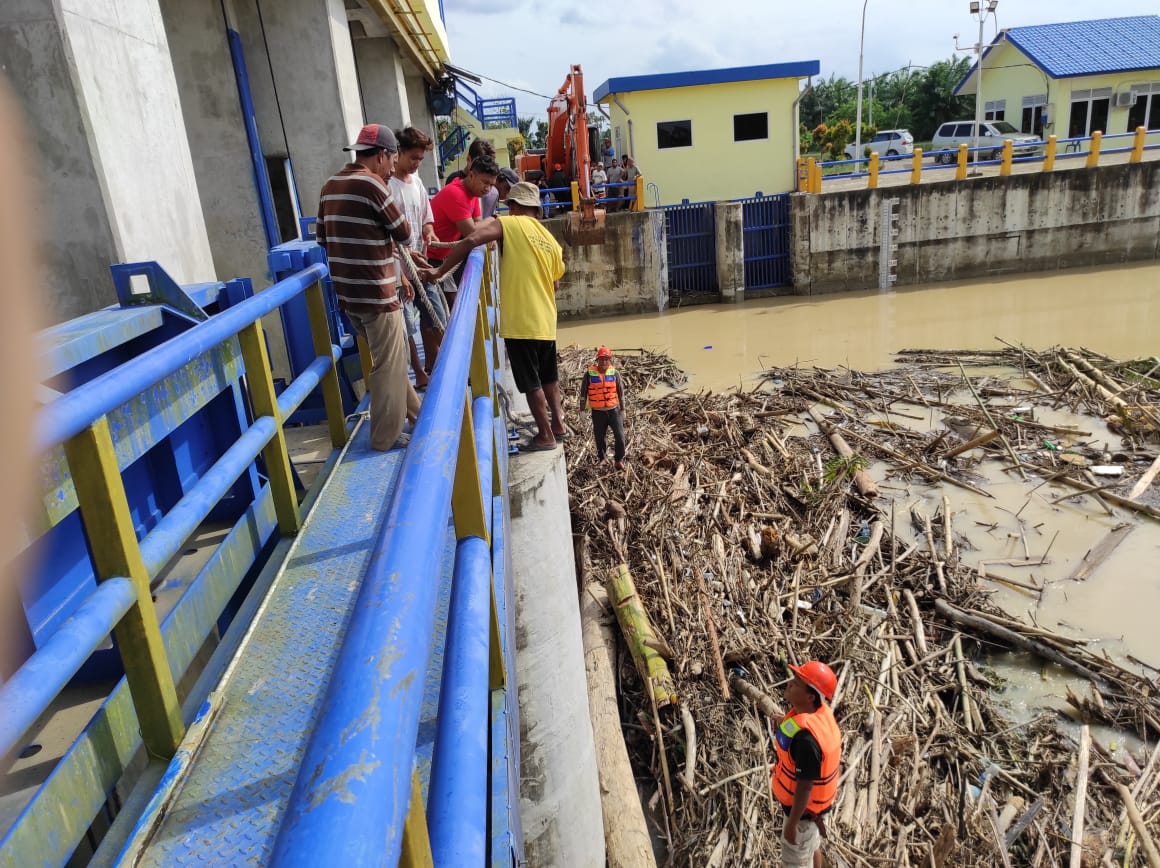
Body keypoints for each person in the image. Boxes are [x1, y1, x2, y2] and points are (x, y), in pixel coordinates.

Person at [418, 182, 567, 451]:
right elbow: (555, 284)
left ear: (515, 206)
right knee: (549, 376)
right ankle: (558, 424)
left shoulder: (509, 224)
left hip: (521, 320)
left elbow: (472, 239)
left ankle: (545, 435)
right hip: (546, 318)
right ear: (536, 209)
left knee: (530, 382)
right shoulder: (550, 240)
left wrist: (438, 272)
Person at [317, 123, 420, 452]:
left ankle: (418, 414)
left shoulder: (330, 185)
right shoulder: (373, 184)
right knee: (389, 365)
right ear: (382, 156)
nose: (392, 169)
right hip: (377, 293)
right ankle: (384, 437)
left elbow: (322, 237)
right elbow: (404, 233)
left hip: (348, 297)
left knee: (391, 359)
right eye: (392, 161)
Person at [773, 661, 842, 868]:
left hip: (803, 818)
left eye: (796, 683)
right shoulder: (819, 715)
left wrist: (792, 825)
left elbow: (804, 787)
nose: (790, 683)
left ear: (810, 696)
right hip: (813, 815)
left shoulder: (807, 741)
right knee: (813, 848)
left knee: (797, 861)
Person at [389, 126, 444, 387]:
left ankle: (446, 365)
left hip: (420, 265)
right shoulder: (387, 186)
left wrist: (429, 232)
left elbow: (426, 219)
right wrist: (400, 272)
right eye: (413, 158)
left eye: (420, 159)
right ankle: (420, 373)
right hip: (397, 268)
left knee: (436, 316)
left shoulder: (418, 183)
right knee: (407, 324)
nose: (416, 164)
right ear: (398, 153)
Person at [429, 155, 499, 304]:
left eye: (492, 185)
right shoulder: (456, 194)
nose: (488, 188)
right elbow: (472, 232)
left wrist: (488, 234)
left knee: (452, 304)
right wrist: (492, 220)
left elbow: (478, 225)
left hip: (444, 257)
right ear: (471, 175)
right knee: (441, 309)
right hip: (428, 257)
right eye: (485, 182)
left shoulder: (473, 194)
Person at [579, 346, 625, 468]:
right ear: (597, 360)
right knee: (600, 437)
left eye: (606, 359)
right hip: (598, 412)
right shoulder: (588, 374)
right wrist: (582, 410)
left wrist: (623, 409)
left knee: (620, 437)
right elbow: (583, 393)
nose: (604, 362)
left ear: (609, 360)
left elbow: (621, 392)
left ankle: (618, 460)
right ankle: (602, 459)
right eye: (601, 359)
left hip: (614, 411)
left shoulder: (615, 373)